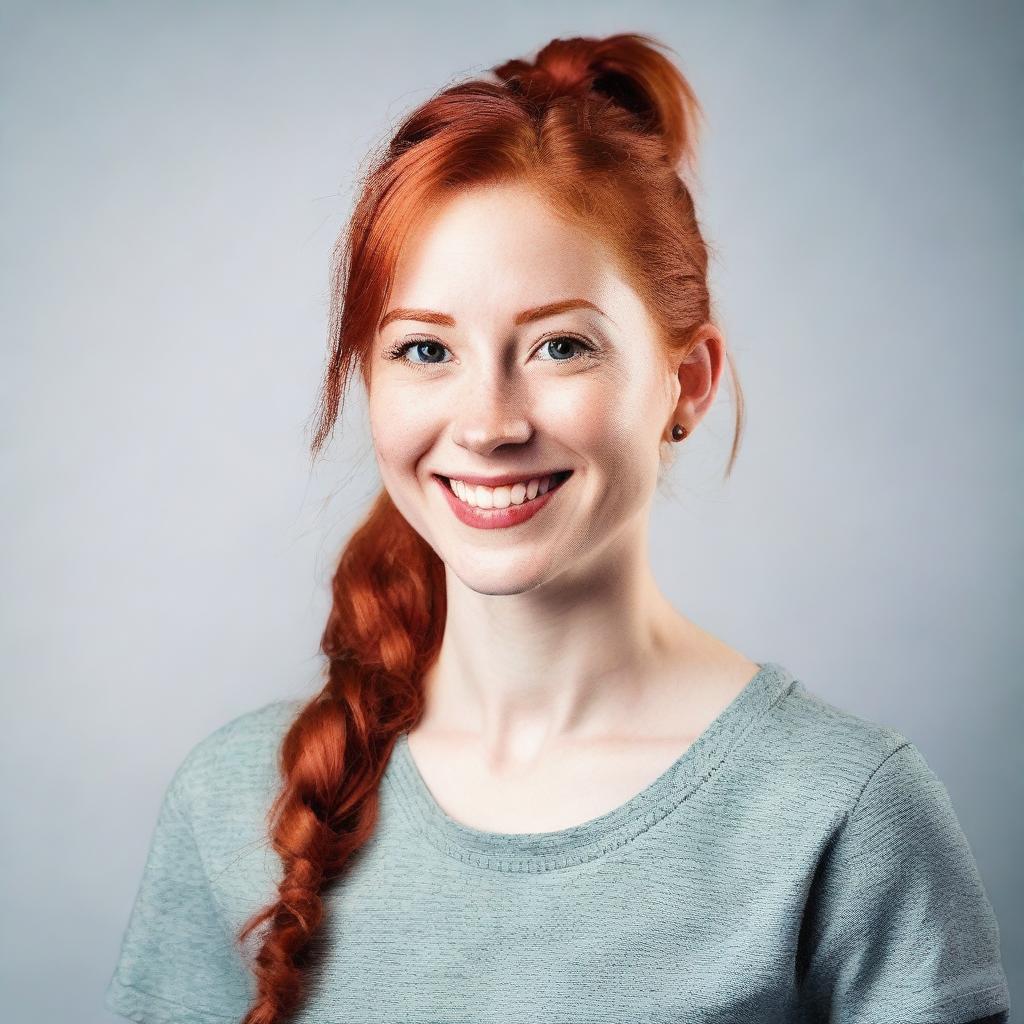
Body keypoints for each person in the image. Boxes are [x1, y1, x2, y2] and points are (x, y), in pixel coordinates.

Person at [104, 32, 1010, 1024]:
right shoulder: (231, 800)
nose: (489, 422)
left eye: (560, 345)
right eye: (423, 348)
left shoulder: (843, 813)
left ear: (688, 382)